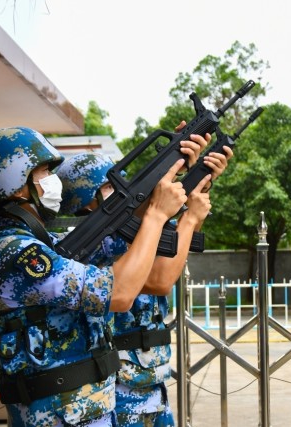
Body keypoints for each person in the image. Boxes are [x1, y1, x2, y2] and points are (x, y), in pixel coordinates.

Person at [0, 126, 203, 426]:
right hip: (56, 416)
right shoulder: (14, 254)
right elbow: (120, 293)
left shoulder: (42, 243)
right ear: (14, 183)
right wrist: (156, 213)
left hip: (82, 411)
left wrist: (173, 163)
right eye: (43, 172)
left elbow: (126, 239)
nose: (52, 181)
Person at [55, 145, 231, 427]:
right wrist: (190, 218)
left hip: (148, 378)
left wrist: (197, 180)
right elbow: (159, 280)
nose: (124, 191)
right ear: (86, 197)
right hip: (120, 386)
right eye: (111, 187)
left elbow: (170, 253)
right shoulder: (86, 245)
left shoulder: (131, 232)